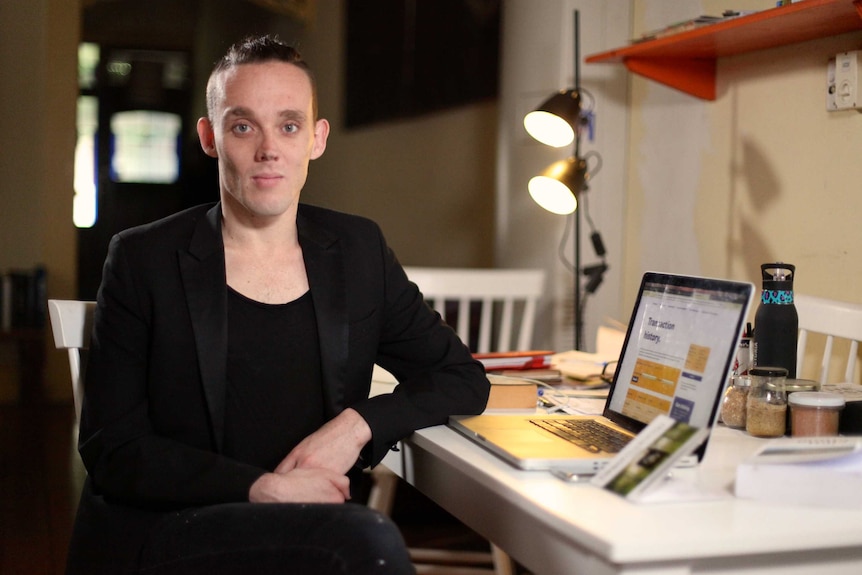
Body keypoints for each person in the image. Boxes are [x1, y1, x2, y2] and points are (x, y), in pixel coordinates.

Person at [66, 34, 490, 575]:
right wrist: (260, 488)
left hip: (309, 527)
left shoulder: (357, 250)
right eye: (243, 126)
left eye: (289, 125)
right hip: (173, 530)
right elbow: (113, 448)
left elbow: (460, 377)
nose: (269, 148)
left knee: (355, 540)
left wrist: (357, 424)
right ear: (210, 137)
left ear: (316, 138)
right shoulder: (143, 258)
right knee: (366, 540)